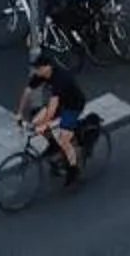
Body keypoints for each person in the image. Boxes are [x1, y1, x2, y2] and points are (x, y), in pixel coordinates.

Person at [20, 47, 91, 178]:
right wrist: (20, 113)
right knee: (36, 121)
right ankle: (53, 145)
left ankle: (73, 169)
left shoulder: (60, 79)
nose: (36, 71)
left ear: (47, 67)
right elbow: (27, 91)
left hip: (73, 105)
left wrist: (44, 124)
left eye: (39, 68)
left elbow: (52, 108)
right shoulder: (42, 75)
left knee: (64, 139)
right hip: (60, 103)